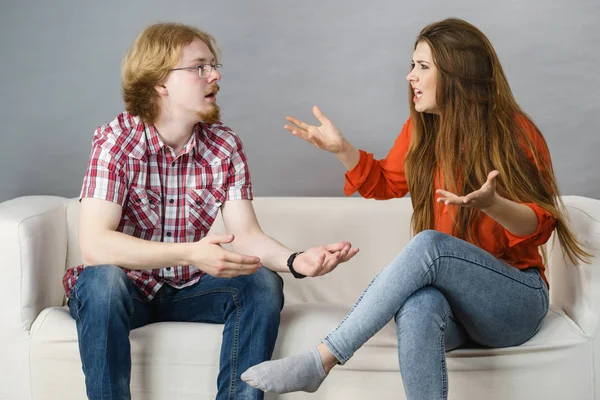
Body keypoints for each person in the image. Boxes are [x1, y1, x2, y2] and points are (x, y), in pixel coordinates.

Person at [241, 17, 592, 399]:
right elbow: (386, 182)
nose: (410, 77)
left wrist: (494, 204)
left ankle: (321, 360)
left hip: (515, 302)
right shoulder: (422, 131)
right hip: (459, 310)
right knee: (420, 304)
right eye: (412, 65)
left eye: (423, 67)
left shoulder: (515, 132)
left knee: (430, 245)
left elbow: (537, 226)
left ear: (458, 73)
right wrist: (342, 150)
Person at [62, 22, 359, 400]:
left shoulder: (224, 145)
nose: (215, 75)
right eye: (199, 66)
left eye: (214, 66)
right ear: (160, 82)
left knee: (262, 283)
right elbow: (95, 246)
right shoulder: (116, 141)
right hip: (125, 290)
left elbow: (248, 235)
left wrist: (297, 260)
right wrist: (190, 252)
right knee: (101, 282)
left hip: (188, 288)